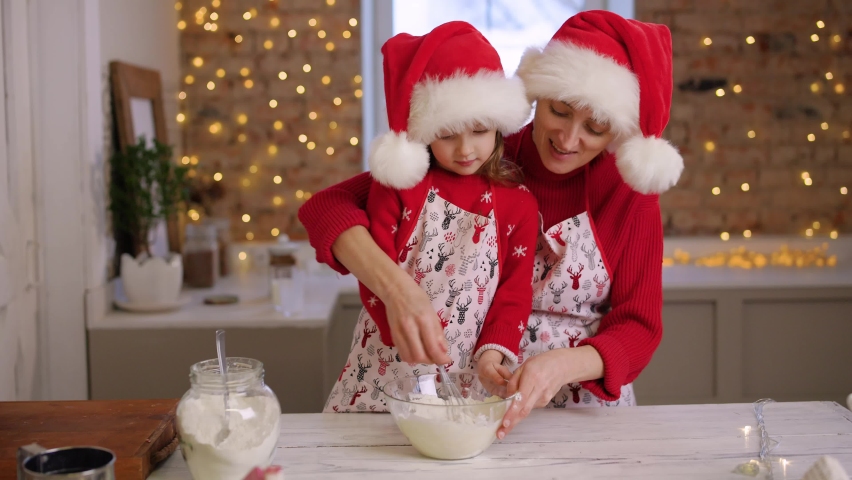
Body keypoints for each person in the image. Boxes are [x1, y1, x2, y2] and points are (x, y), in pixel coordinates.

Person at [300, 9, 683, 434]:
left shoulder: (630, 193)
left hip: (585, 410)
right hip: (472, 400)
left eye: (595, 128)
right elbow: (326, 208)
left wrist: (561, 365)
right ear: (537, 93)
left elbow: (639, 327)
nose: (569, 140)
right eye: (558, 111)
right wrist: (397, 290)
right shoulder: (477, 151)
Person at [321, 21, 539, 412]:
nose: (466, 149)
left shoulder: (519, 204)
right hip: (385, 368)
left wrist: (494, 354)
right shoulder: (400, 185)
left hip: (468, 381)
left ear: (500, 127)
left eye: (479, 130)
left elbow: (514, 292)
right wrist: (399, 333)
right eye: (448, 134)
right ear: (424, 132)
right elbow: (376, 270)